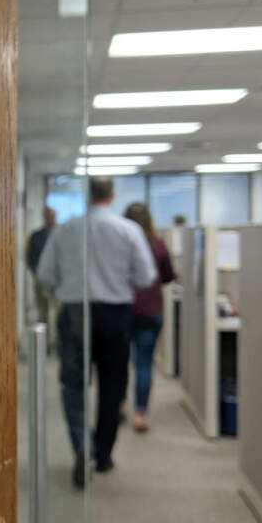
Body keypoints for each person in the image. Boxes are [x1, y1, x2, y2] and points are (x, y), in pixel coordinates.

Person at [36, 177, 157, 488]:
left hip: (75, 312)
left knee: (73, 384)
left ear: (87, 195)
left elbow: (46, 275)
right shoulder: (128, 230)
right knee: (112, 385)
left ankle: (81, 445)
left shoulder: (66, 229)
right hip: (115, 314)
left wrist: (69, 284)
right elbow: (146, 277)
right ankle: (102, 454)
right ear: (113, 195)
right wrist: (118, 280)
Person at [123, 202, 176, 433]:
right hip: (151, 311)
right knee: (144, 363)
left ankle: (120, 405)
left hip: (124, 310)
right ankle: (140, 415)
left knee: (119, 363)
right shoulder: (158, 244)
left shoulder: (121, 244)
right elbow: (168, 276)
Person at [26, 207, 57, 327]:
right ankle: (44, 342)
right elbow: (30, 257)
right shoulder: (36, 236)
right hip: (40, 280)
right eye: (48, 216)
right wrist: (36, 274)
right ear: (44, 218)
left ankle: (56, 341)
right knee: (42, 312)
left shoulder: (61, 234)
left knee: (58, 312)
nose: (51, 219)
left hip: (58, 281)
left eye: (53, 216)